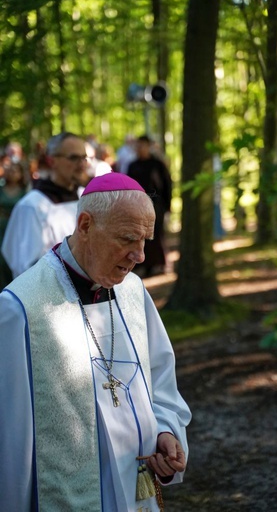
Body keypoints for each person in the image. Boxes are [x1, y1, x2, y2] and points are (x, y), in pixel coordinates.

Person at [0, 171, 191, 511]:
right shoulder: (21, 308)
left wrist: (164, 431)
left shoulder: (133, 292)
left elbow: (160, 381)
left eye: (145, 240)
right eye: (127, 238)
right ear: (86, 225)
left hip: (138, 489)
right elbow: (10, 437)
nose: (140, 256)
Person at [1, 131, 90, 278]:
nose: (81, 164)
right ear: (51, 161)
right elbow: (26, 268)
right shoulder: (32, 206)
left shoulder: (86, 197)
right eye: (73, 158)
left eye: (84, 158)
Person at [127, 135, 172, 277]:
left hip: (156, 204)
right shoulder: (132, 166)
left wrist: (167, 206)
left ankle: (159, 263)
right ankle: (143, 264)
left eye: (143, 146)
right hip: (137, 205)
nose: (140, 149)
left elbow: (167, 185)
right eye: (138, 146)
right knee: (139, 235)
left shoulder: (157, 164)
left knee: (156, 234)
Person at [0, 161, 27, 289]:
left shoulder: (24, 192)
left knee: (13, 257)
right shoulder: (1, 189)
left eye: (16, 170)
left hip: (17, 228)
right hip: (1, 226)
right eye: (10, 170)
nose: (12, 173)